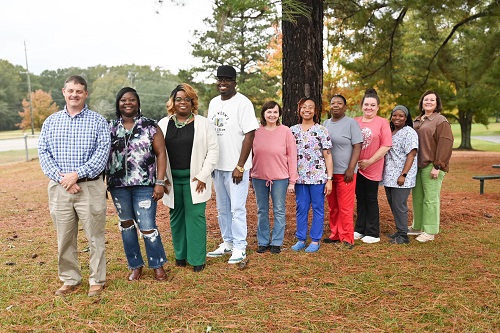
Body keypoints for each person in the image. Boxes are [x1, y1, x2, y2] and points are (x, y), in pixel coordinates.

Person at [38, 75, 110, 297]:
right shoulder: (51, 122)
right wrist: (64, 180)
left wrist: (77, 174)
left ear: (85, 93)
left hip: (89, 186)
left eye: (79, 91)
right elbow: (44, 153)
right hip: (60, 189)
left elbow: (102, 154)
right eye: (70, 91)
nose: (74, 95)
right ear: (63, 92)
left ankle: (97, 279)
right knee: (65, 236)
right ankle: (70, 278)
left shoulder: (98, 121)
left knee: (95, 236)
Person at [107, 87, 168, 281]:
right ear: (118, 103)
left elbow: (161, 154)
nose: (127, 103)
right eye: (123, 100)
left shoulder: (150, 126)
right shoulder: (110, 128)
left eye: (131, 100)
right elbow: (102, 156)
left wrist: (159, 182)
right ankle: (135, 265)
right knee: (126, 225)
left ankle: (157, 264)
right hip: (118, 186)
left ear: (138, 103)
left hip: (145, 184)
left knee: (148, 225)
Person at [159, 83, 219, 272]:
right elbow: (156, 153)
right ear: (172, 102)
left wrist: (203, 176)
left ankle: (197, 259)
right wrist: (162, 178)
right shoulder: (163, 124)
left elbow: (213, 151)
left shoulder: (204, 123)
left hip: (196, 180)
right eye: (179, 99)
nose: (183, 102)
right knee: (176, 217)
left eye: (187, 99)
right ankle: (181, 255)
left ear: (193, 102)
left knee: (195, 217)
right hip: (171, 180)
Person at [206, 65, 259, 264]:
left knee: (237, 208)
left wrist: (240, 165)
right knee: (222, 208)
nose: (222, 82)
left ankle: (240, 246)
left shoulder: (243, 103)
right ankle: (227, 242)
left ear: (234, 82)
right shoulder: (213, 103)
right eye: (220, 79)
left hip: (236, 167)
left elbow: (250, 134)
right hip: (218, 165)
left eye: (227, 79)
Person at [251, 101, 298, 254]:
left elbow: (292, 156)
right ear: (263, 113)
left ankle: (276, 242)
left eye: (275, 112)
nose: (272, 115)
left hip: (280, 177)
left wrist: (292, 180)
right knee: (262, 210)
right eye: (269, 112)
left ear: (279, 114)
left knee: (279, 209)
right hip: (259, 177)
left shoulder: (286, 131)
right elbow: (250, 155)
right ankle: (263, 241)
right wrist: (250, 176)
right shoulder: (256, 131)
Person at [290, 97, 333, 253]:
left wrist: (329, 179)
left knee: (317, 207)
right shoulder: (292, 130)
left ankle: (315, 240)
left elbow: (328, 155)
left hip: (318, 177)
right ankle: (301, 239)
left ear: (315, 111)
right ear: (299, 109)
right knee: (301, 207)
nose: (306, 110)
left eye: (310, 107)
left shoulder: (321, 130)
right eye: (303, 107)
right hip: (299, 177)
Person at [410, 90, 453, 242]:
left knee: (430, 199)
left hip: (432, 165)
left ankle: (430, 231)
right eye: (426, 99)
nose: (428, 102)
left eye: (432, 100)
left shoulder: (440, 120)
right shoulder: (417, 120)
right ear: (422, 102)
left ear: (437, 104)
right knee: (417, 197)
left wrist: (438, 166)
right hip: (417, 166)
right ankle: (418, 226)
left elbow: (445, 143)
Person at [323, 94, 363, 249]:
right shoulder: (326, 123)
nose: (336, 105)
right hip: (330, 174)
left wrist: (351, 168)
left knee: (346, 207)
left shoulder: (351, 124)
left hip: (346, 173)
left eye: (340, 103)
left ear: (345, 107)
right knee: (333, 206)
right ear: (330, 106)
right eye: (333, 103)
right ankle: (335, 234)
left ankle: (347, 238)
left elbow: (357, 147)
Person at [354, 88, 392, 244]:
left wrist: (369, 161)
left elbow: (386, 145)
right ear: (362, 105)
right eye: (366, 104)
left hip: (373, 167)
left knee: (371, 198)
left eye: (372, 105)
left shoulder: (383, 122)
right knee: (359, 198)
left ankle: (373, 232)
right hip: (356, 168)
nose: (369, 107)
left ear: (378, 107)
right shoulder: (355, 121)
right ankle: (360, 229)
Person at [382, 105, 418, 244]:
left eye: (401, 116)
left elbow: (412, 154)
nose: (397, 118)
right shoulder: (391, 131)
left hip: (401, 176)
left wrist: (403, 174)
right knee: (393, 204)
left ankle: (403, 236)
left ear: (406, 118)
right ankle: (399, 230)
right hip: (389, 176)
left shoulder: (409, 132)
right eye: (394, 115)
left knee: (399, 205)